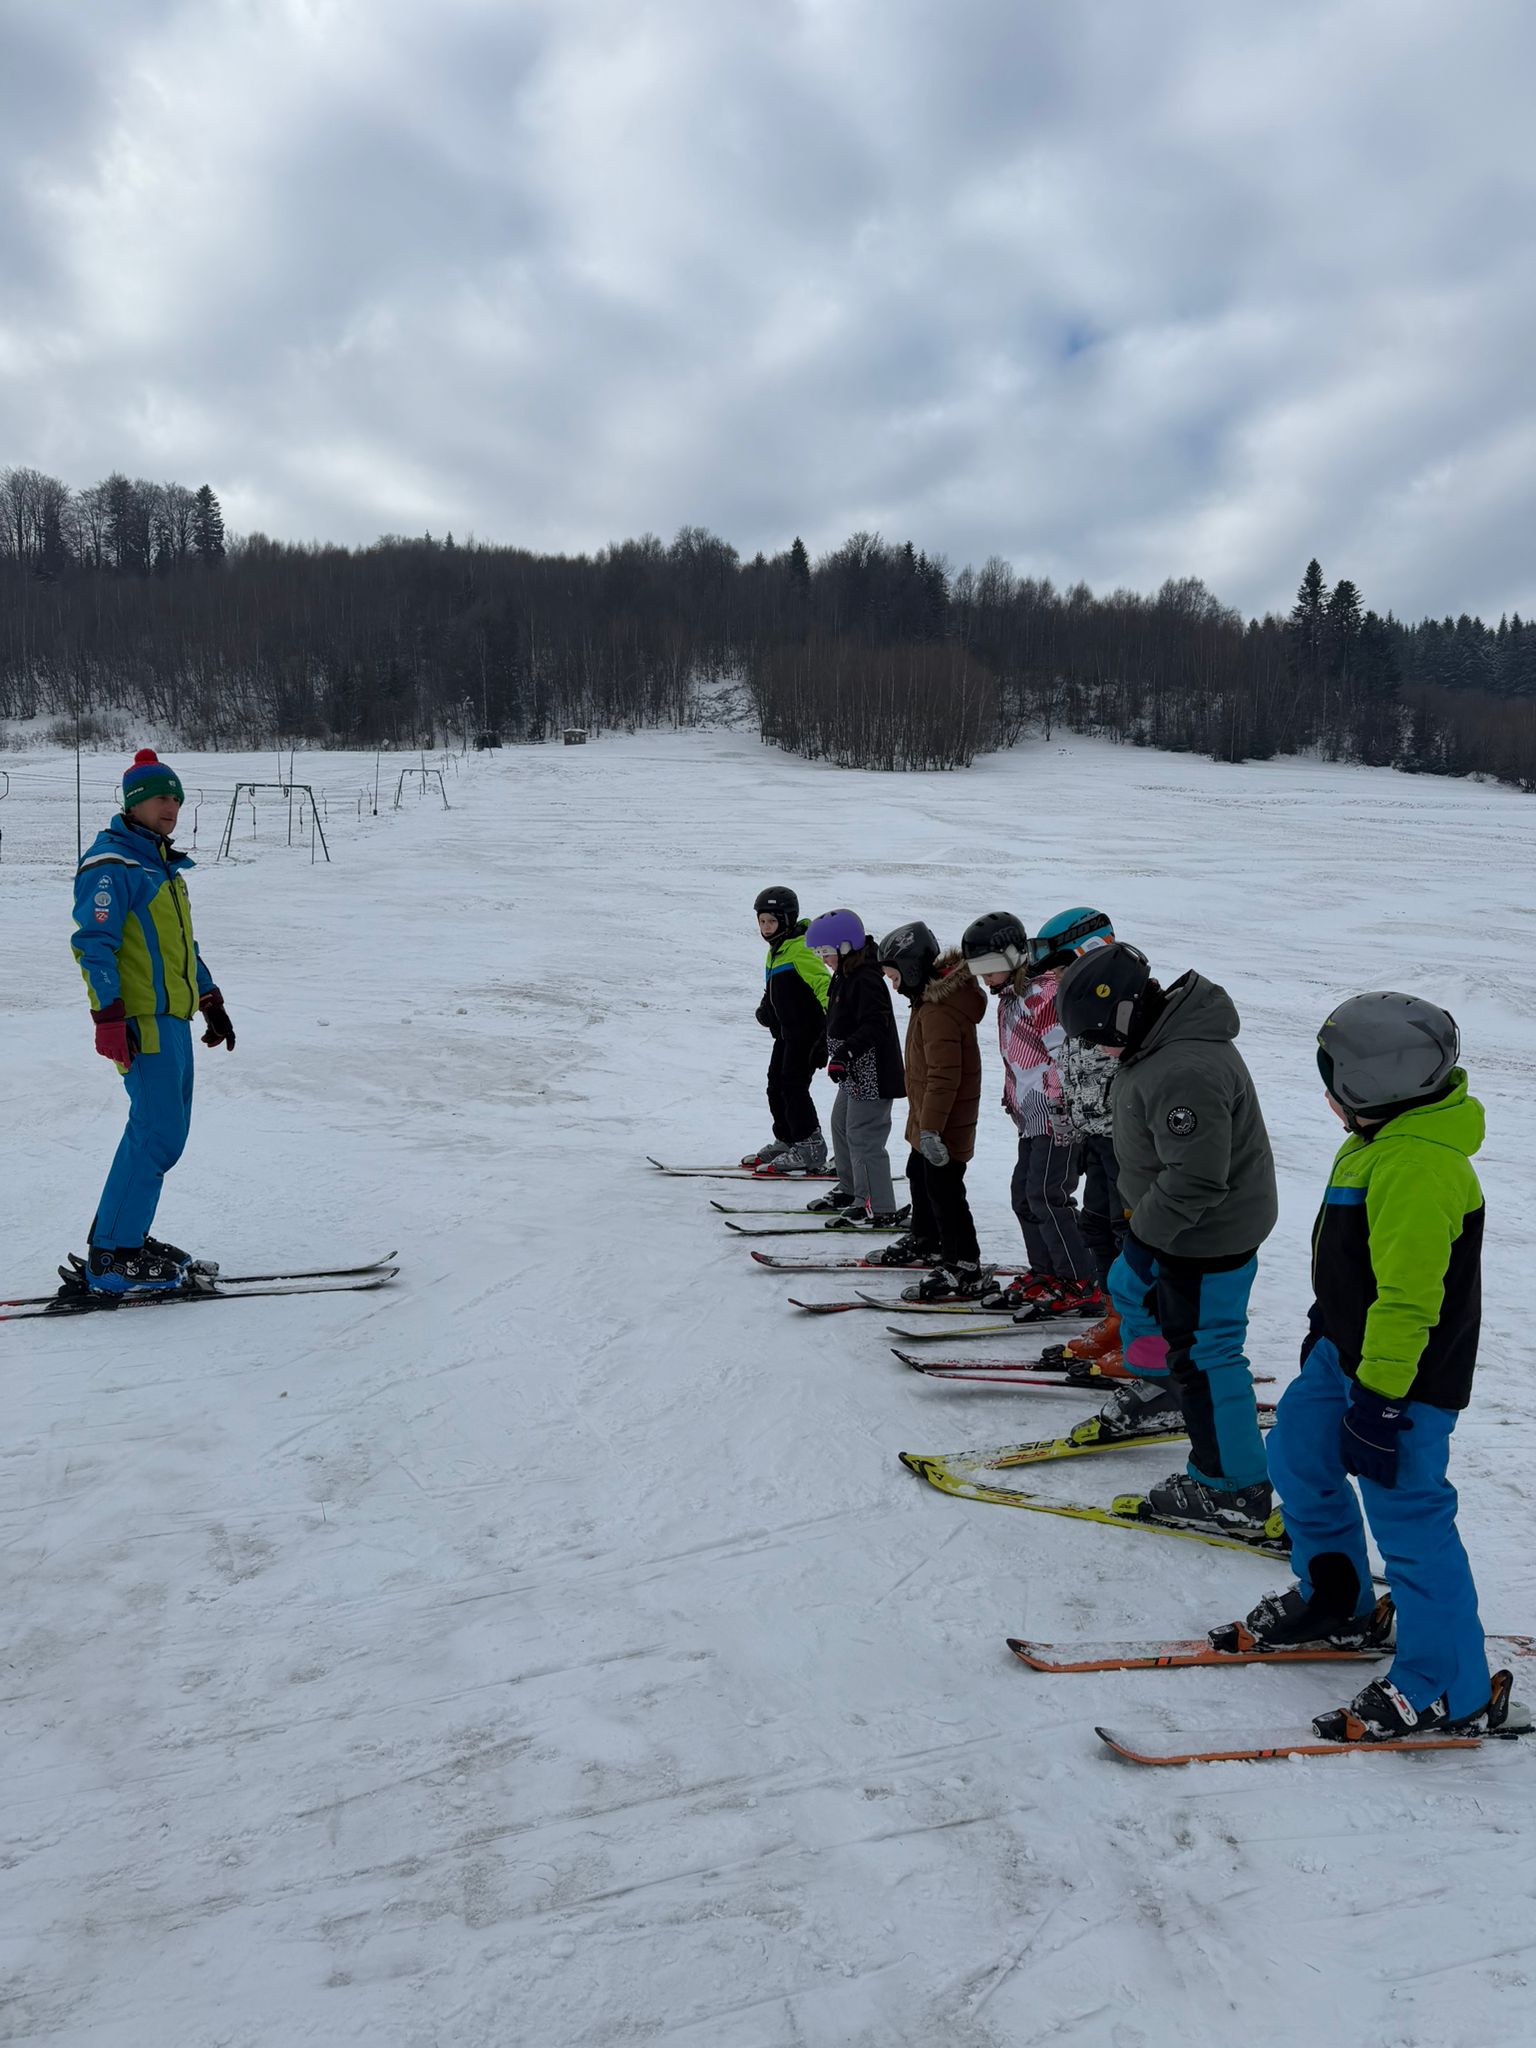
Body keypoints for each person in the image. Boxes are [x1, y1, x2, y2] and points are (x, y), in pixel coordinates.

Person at [1229, 994, 1498, 1740]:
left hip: (1402, 1380)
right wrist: (1327, 1328)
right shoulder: (1384, 1138)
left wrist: (1379, 1401)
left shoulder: (1419, 1162)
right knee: (1298, 1453)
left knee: (1409, 1517)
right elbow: (1361, 1263)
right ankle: (1337, 1599)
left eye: (1334, 1077)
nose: (1326, 1093)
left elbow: (1411, 1299)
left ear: (1379, 1083)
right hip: (1348, 1354)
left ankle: (1450, 1685)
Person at [1056, 941, 1278, 1533]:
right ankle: (1165, 1389)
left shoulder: (1183, 1066)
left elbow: (1198, 1177)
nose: (1092, 1048)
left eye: (1094, 1034)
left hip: (1205, 1235)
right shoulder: (1160, 1046)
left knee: (1209, 1357)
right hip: (1181, 1230)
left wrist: (1143, 1246)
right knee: (1169, 1330)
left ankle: (1232, 1488)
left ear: (1124, 1013)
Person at [69, 748, 235, 1295]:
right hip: (141, 1021)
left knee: (164, 1133)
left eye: (178, 798)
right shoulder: (111, 866)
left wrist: (209, 998)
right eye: (162, 797)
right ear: (135, 803)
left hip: (174, 1019)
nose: (172, 807)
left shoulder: (162, 866)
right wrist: (108, 1018)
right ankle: (112, 1258)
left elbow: (181, 947)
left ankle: (124, 1238)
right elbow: (94, 945)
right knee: (157, 1132)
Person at [962, 909, 1100, 1323]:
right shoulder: (1011, 1001)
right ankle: (1047, 1273)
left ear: (1015, 955)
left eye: (990, 967)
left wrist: (1061, 1106)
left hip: (1058, 1118)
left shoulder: (1045, 996)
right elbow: (1018, 1061)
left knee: (1047, 1195)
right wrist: (1012, 1098)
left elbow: (1064, 1057)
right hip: (1033, 1117)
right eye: (978, 970)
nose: (985, 978)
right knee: (1024, 1195)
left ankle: (1079, 1280)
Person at [865, 922, 989, 1299]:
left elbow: (944, 1077)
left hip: (945, 1123)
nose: (893, 984)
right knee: (918, 1175)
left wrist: (932, 1129)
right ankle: (927, 1239)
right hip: (930, 1119)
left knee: (946, 1190)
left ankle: (963, 1264)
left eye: (894, 975)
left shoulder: (939, 1011)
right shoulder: (928, 1002)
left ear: (913, 968)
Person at [1036, 908, 1129, 1364]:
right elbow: (1067, 1064)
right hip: (1093, 1136)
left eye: (1058, 964)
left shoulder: (1123, 993)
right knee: (1096, 1226)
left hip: (1125, 1140)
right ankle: (1117, 1319)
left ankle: (1141, 1332)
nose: (1053, 976)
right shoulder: (1077, 995)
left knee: (1128, 1233)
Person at [803, 909, 907, 1229]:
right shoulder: (846, 972)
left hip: (871, 1073)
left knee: (864, 1137)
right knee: (841, 1126)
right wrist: (823, 1045)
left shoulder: (866, 978)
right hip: (853, 1073)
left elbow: (876, 1024)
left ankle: (878, 1205)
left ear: (846, 946)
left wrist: (844, 1053)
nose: (823, 960)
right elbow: (837, 1018)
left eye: (825, 953)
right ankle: (852, 1190)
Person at [742, 886, 831, 1175]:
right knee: (775, 1084)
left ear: (788, 920)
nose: (766, 928)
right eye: (762, 921)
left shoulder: (801, 948)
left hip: (808, 1034)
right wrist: (767, 1006)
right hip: (786, 1034)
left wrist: (833, 1027)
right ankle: (788, 1138)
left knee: (793, 1086)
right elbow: (775, 985)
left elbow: (824, 986)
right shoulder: (777, 950)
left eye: (772, 921)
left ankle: (810, 1145)